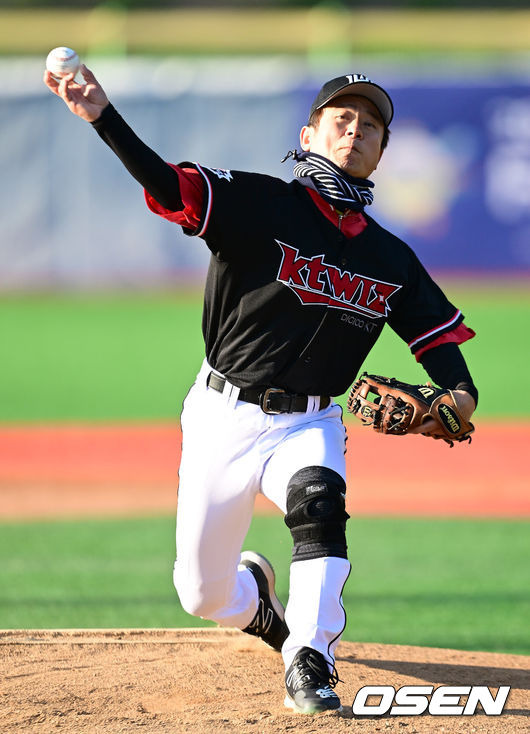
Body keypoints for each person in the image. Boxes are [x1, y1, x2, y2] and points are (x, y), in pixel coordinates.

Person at [44, 67, 478, 715]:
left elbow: (441, 347)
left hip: (309, 424)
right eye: (341, 119)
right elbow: (167, 185)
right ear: (310, 135)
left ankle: (310, 658)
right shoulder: (258, 204)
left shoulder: (391, 261)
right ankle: (260, 606)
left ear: (382, 151)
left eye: (369, 126)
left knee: (319, 501)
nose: (355, 131)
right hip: (223, 413)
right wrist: (103, 116)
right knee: (202, 594)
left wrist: (459, 399)